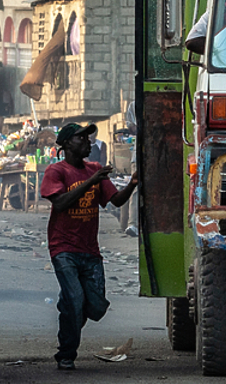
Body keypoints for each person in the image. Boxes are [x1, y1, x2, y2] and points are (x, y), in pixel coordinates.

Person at [40, 123, 139, 370]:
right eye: (81, 137)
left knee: (94, 307)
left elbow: (115, 201)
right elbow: (60, 202)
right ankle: (66, 354)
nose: (88, 141)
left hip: (89, 251)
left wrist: (133, 184)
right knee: (75, 300)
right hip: (63, 248)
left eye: (88, 137)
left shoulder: (94, 169)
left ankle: (68, 311)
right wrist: (91, 181)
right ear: (65, 144)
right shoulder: (56, 171)